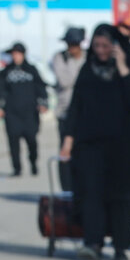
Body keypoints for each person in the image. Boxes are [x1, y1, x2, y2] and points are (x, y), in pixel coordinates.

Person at [60, 25, 130, 260]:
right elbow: (76, 108)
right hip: (90, 145)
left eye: (106, 46)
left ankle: (120, 245)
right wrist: (68, 140)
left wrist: (122, 67)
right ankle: (93, 242)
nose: (101, 51)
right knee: (91, 194)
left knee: (121, 198)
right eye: (97, 46)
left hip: (124, 146)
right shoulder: (88, 71)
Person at [0, 42, 48, 177]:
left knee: (32, 141)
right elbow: (0, 91)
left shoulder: (31, 70)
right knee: (13, 142)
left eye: (18, 53)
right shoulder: (6, 72)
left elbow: (41, 87)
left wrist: (43, 103)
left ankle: (33, 163)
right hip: (12, 113)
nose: (15, 56)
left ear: (23, 54)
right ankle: (17, 168)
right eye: (13, 54)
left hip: (29, 113)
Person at [50, 27, 87, 191]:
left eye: (74, 44)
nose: (72, 48)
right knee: (65, 151)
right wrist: (80, 76)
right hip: (65, 111)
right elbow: (64, 80)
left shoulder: (88, 57)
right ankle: (66, 188)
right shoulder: (60, 58)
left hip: (85, 113)